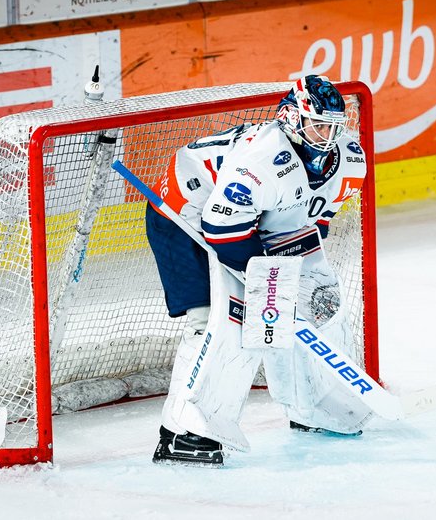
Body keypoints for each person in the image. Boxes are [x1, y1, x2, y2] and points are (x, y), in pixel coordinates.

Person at [144, 75, 372, 466]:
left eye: (334, 125)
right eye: (319, 124)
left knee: (319, 300)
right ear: (290, 118)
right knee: (216, 323)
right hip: (186, 215)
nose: (328, 134)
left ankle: (313, 405)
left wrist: (292, 290)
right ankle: (184, 433)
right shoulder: (260, 160)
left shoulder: (348, 159)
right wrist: (268, 291)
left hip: (255, 220)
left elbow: (313, 223)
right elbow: (223, 232)